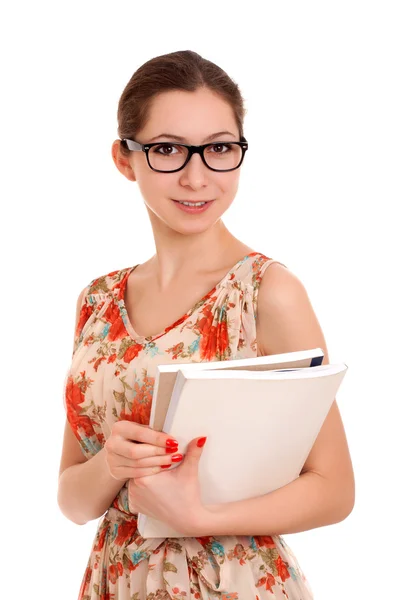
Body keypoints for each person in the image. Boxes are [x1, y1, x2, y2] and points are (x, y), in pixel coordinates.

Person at [58, 50, 355, 600]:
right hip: (115, 579)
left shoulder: (267, 292)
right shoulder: (96, 301)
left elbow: (335, 489)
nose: (197, 178)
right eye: (168, 150)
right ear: (127, 159)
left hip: (232, 583)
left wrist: (199, 515)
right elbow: (73, 501)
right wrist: (112, 464)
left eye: (219, 148)